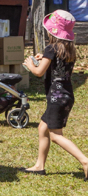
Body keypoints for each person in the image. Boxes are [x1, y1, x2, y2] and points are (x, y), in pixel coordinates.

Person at [20, 10, 88, 180]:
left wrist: (30, 64)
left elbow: (39, 72)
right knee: (42, 128)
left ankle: (85, 161)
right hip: (66, 95)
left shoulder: (51, 48)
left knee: (56, 135)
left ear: (52, 31)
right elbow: (57, 64)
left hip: (56, 97)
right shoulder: (68, 49)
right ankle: (39, 166)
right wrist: (43, 57)